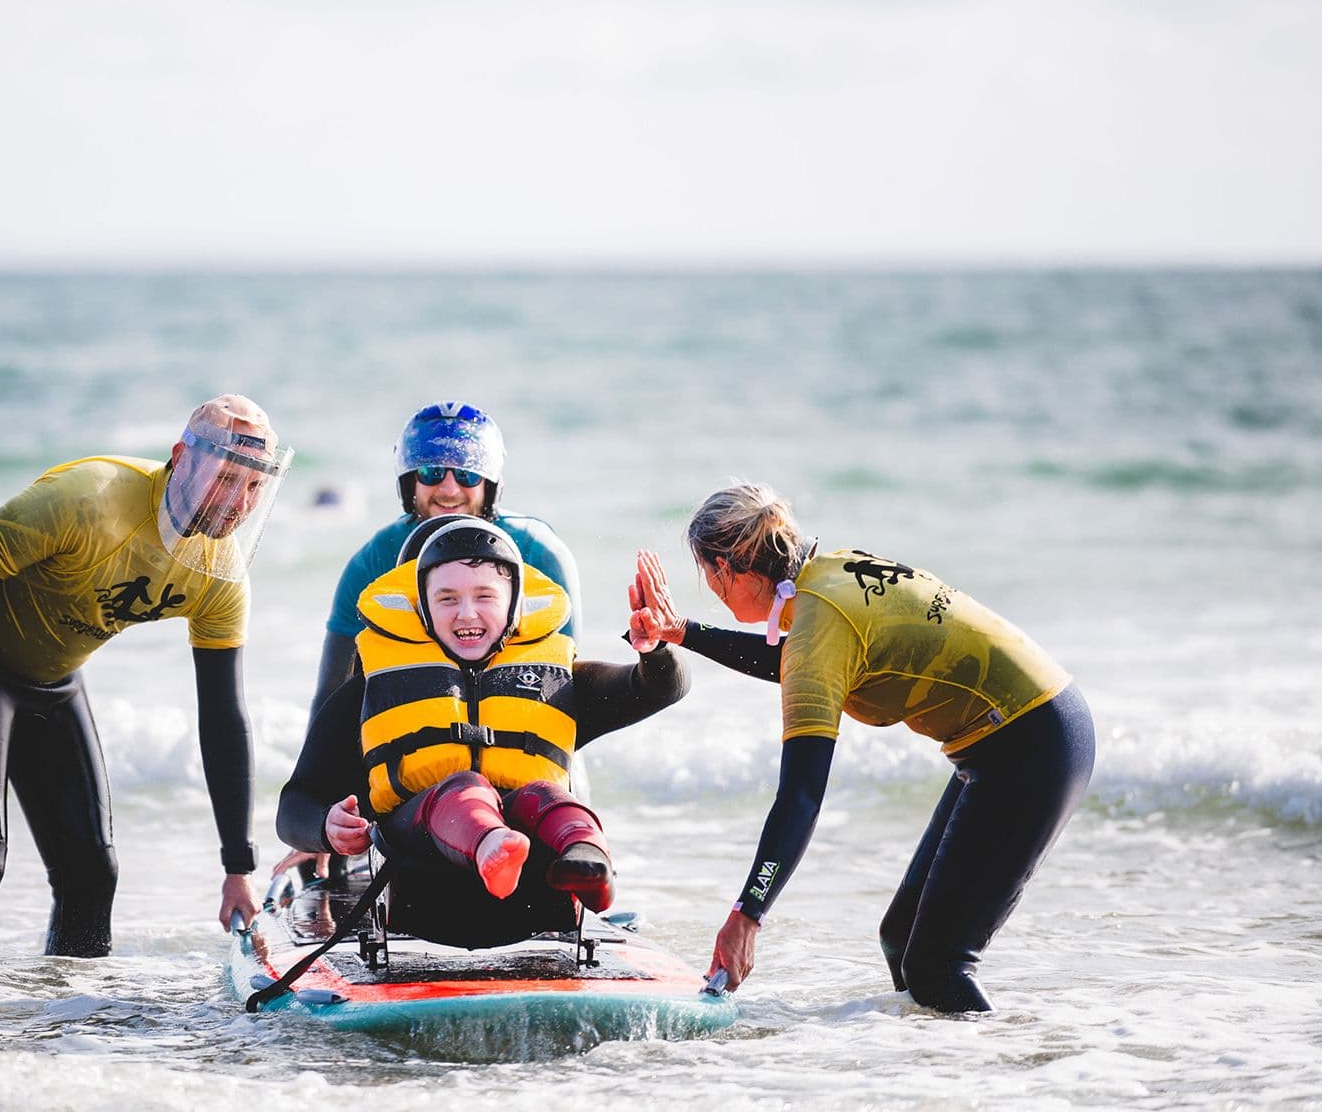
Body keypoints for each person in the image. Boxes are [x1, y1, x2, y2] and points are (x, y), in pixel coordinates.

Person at [632, 481, 1095, 1013]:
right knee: (903, 939)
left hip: (1028, 744)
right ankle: (944, 1075)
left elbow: (801, 795)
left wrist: (747, 914)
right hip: (1029, 731)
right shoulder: (826, 576)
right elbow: (799, 660)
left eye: (707, 573)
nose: (710, 587)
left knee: (938, 962)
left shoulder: (818, 623)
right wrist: (681, 632)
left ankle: (1012, 1074)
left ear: (730, 567)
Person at [0, 395, 292, 956]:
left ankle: (69, 1025)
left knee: (92, 873)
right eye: (226, 478)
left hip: (55, 682)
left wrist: (239, 868)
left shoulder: (220, 573)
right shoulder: (88, 500)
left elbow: (223, 714)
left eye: (253, 486)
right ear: (182, 457)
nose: (238, 502)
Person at [277, 518, 694, 944]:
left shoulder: (556, 682)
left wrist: (656, 648)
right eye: (447, 598)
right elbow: (295, 805)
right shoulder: (372, 692)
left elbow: (660, 688)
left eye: (485, 596)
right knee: (465, 786)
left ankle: (586, 859)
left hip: (535, 897)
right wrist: (326, 827)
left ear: (515, 603)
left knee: (546, 796)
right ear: (419, 605)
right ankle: (492, 844)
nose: (467, 613)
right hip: (425, 893)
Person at [307, 401, 581, 721]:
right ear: (410, 482)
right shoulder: (371, 563)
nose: (449, 489)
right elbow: (331, 700)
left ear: (490, 486)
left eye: (466, 474)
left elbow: (569, 685)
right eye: (431, 472)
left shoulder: (540, 552)